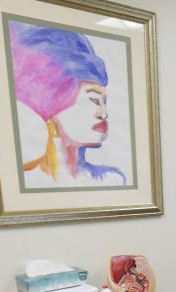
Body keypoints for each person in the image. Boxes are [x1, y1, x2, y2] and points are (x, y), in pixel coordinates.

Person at [9, 21, 126, 186]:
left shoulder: (112, 180)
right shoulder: (28, 182)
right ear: (52, 107)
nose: (103, 113)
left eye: (104, 102)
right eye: (93, 100)